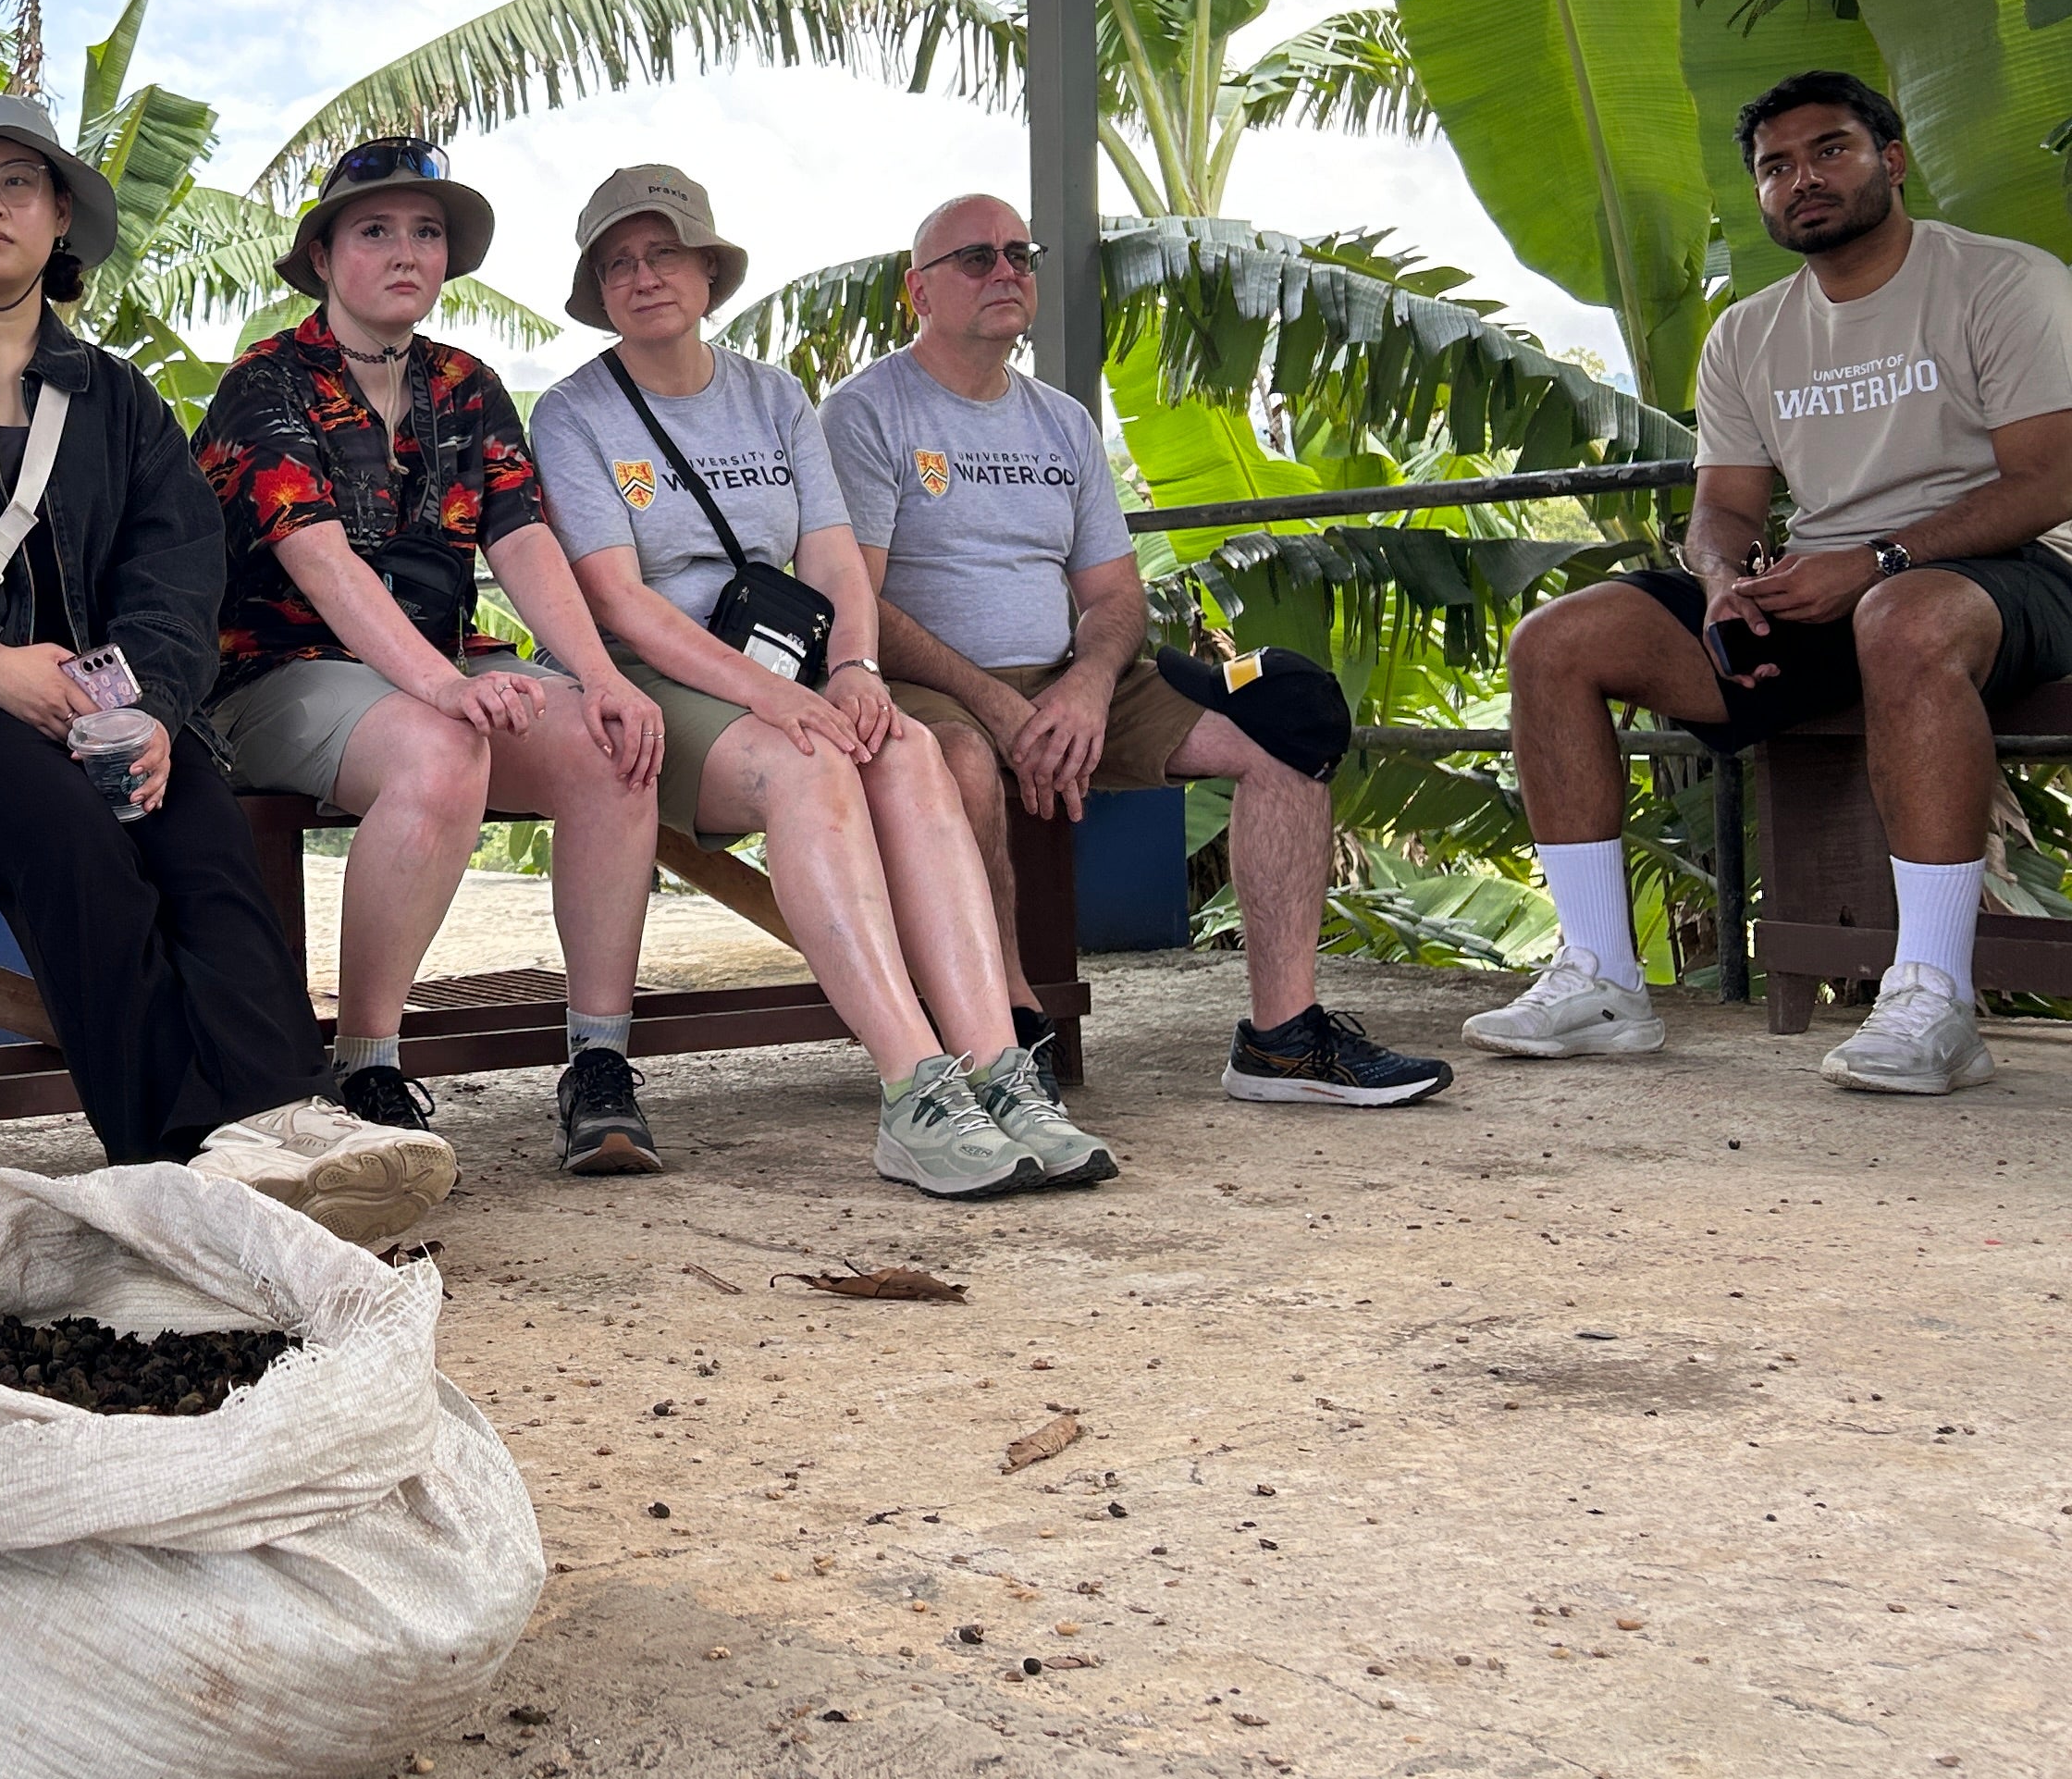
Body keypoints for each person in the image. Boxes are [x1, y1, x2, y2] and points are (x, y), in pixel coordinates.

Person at [0, 94, 449, 1243]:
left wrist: (154, 712)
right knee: (71, 837)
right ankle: (172, 1157)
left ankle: (283, 1122)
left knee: (200, 830)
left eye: (17, 183)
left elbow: (178, 571)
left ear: (60, 219)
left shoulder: (120, 400)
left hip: (107, 704)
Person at [1471, 71, 2072, 1096]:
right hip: (1834, 587)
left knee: (1902, 615)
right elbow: (1726, 508)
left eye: (1830, 150)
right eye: (1775, 167)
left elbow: (2047, 479)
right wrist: (1719, 579)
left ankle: (1933, 998)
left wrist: (1877, 562)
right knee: (1556, 641)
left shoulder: (2001, 281)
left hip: (2020, 572)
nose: (1803, 179)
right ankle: (1602, 981)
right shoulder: (1748, 332)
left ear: (1891, 160)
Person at [536, 167, 1114, 1195]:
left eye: (664, 253)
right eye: (618, 263)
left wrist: (852, 667)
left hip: (790, 671)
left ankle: (997, 1068)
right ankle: (913, 1086)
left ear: (708, 270)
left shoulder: (773, 396)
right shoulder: (576, 413)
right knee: (809, 767)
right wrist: (776, 696)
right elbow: (620, 602)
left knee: (911, 750)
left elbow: (835, 557)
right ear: (598, 290)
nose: (644, 276)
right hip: (653, 679)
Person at [824, 193, 1452, 1107]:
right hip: (934, 684)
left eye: (1020, 255)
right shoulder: (866, 412)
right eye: (976, 259)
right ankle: (1004, 1032)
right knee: (960, 760)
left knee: (1284, 735)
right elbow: (857, 605)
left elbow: (1116, 597)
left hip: (1065, 680)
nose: (1006, 272)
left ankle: (1282, 1039)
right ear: (919, 291)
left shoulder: (1062, 422)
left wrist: (1085, 686)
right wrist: (999, 708)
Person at [195, 138, 671, 1174]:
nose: (406, 252)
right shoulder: (265, 383)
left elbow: (523, 538)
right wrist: (446, 688)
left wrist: (599, 678)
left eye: (426, 232)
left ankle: (599, 1065)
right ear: (323, 257)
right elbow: (320, 562)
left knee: (612, 745)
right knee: (442, 749)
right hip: (272, 675)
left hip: (438, 668)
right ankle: (366, 1066)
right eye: (375, 231)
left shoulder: (466, 384)